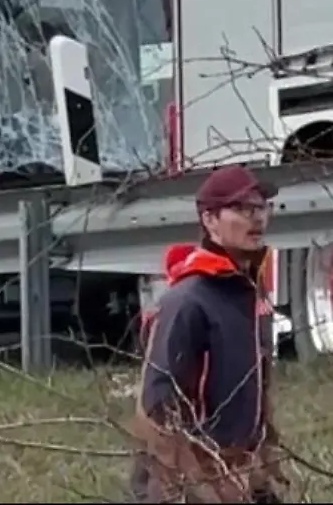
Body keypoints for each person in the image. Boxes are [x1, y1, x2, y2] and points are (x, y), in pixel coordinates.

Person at [129, 164, 285, 504]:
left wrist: (263, 461)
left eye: (262, 208)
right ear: (209, 220)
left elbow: (254, 391)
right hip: (186, 480)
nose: (257, 218)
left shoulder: (248, 293)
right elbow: (158, 411)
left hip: (237, 474)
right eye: (243, 208)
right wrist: (202, 487)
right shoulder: (187, 302)